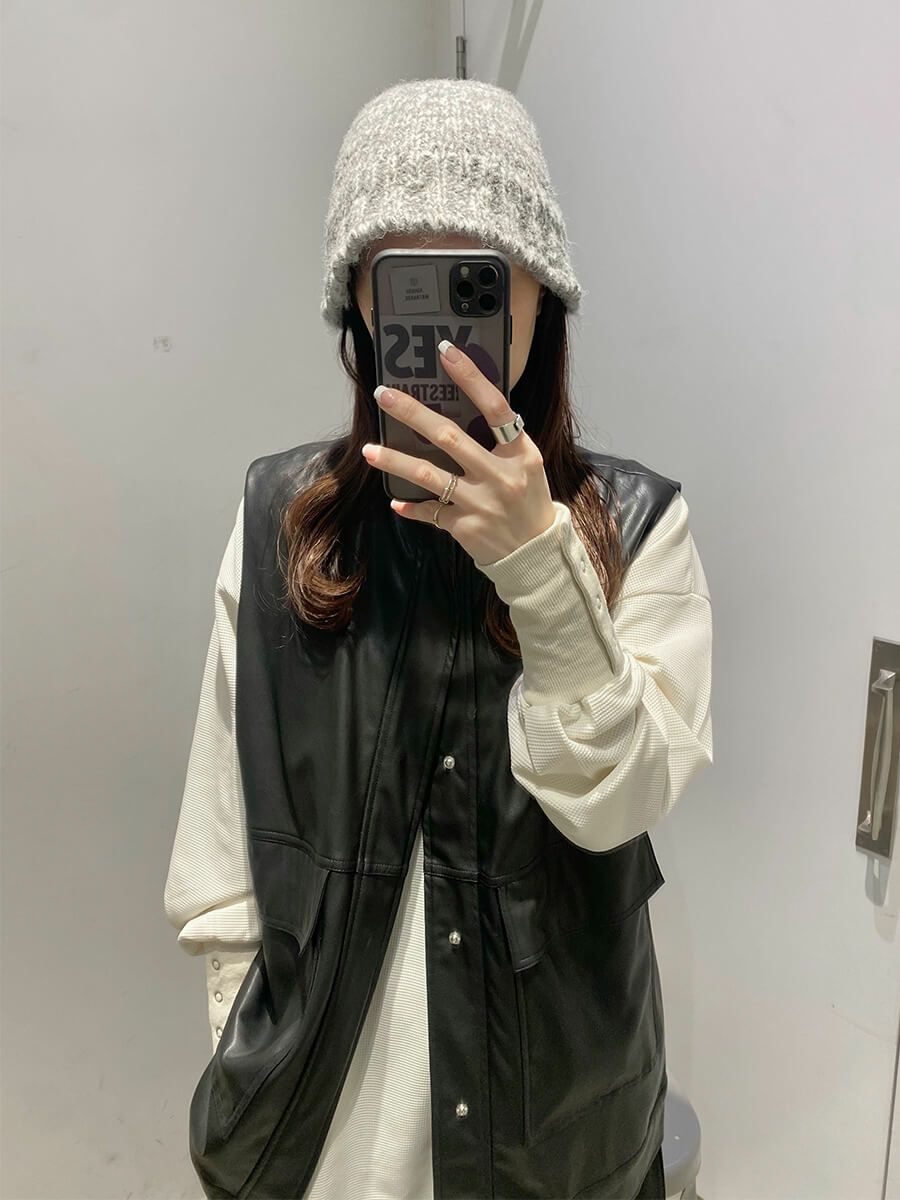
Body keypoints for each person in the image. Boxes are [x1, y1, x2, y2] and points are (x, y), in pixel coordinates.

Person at [164, 78, 713, 1200]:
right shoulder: (280, 526)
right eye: (401, 276)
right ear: (360, 307)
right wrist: (244, 1042)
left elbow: (618, 802)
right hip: (322, 1146)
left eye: (478, 276)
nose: (442, 322)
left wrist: (540, 567)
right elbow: (218, 852)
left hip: (555, 1146)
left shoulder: (641, 527)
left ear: (538, 297)